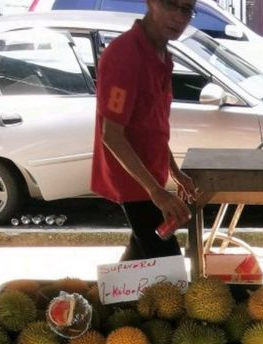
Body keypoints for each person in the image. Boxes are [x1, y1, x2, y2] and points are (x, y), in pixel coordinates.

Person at [91, 0, 197, 260]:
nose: (178, 17)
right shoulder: (125, 55)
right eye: (171, 5)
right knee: (165, 262)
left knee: (142, 254)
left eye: (186, 10)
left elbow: (152, 125)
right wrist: (156, 192)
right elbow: (112, 134)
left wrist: (174, 169)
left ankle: (109, 298)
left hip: (152, 175)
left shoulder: (161, 55)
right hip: (134, 183)